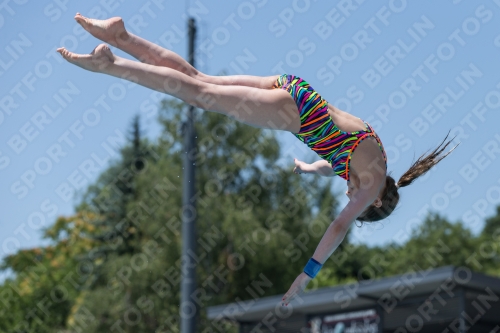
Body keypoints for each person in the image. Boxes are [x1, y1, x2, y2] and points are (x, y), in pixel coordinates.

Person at [57, 14, 458, 307]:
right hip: (297, 114)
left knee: (202, 80)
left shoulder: (371, 164)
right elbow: (338, 226)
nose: (349, 192)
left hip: (296, 89)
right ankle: (113, 65)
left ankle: (122, 35)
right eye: (356, 197)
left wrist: (307, 167)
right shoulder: (371, 184)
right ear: (376, 202)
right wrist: (307, 274)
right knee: (199, 96)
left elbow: (332, 165)